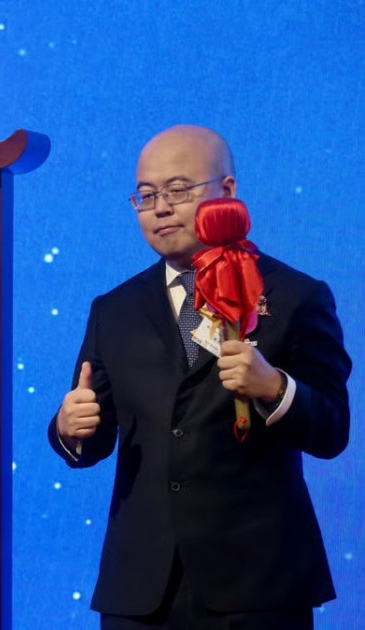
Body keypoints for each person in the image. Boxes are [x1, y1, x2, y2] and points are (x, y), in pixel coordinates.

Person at [47, 125, 351, 630]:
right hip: (140, 591)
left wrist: (275, 389)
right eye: (146, 195)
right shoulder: (114, 310)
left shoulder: (296, 296)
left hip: (258, 586)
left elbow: (333, 429)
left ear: (227, 191)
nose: (160, 208)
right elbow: (91, 439)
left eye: (178, 190)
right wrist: (68, 427)